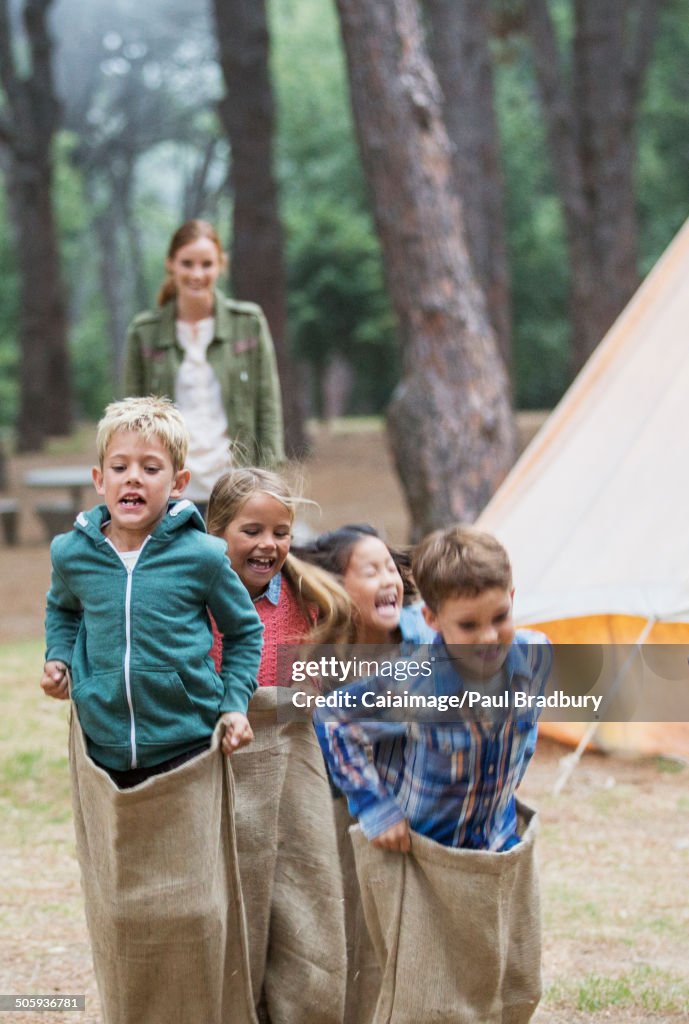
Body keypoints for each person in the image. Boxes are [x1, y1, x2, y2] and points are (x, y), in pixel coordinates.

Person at [39, 397, 264, 1024]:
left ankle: (198, 1006)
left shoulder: (203, 558)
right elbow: (64, 610)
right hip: (107, 753)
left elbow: (245, 634)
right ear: (99, 480)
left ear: (179, 482)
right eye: (119, 466)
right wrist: (61, 660)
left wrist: (233, 703)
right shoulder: (72, 553)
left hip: (187, 750)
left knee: (193, 906)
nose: (133, 478)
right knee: (124, 907)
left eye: (150, 467)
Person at [314, 525, 553, 1024]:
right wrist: (377, 807)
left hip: (494, 845)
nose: (489, 638)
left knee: (507, 981)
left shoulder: (534, 654)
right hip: (422, 855)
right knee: (427, 996)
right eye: (468, 626)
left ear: (512, 598)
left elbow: (520, 731)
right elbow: (335, 719)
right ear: (431, 619)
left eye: (500, 617)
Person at [206, 467, 350, 1024]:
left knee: (298, 891)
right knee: (235, 898)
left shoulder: (303, 598)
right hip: (223, 766)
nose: (269, 544)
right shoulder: (198, 597)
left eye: (281, 531)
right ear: (217, 531)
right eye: (252, 531)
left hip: (287, 764)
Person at [124, 219, 284, 514]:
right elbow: (131, 423)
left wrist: (268, 483)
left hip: (235, 486)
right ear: (170, 264)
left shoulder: (248, 323)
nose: (197, 274)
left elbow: (268, 407)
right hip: (170, 490)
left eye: (206, 264)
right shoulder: (143, 332)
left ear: (221, 265)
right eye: (187, 263)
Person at [293, 523, 435, 647]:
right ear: (336, 588)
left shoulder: (434, 630)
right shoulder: (319, 665)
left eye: (391, 569)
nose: (388, 581)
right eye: (371, 573)